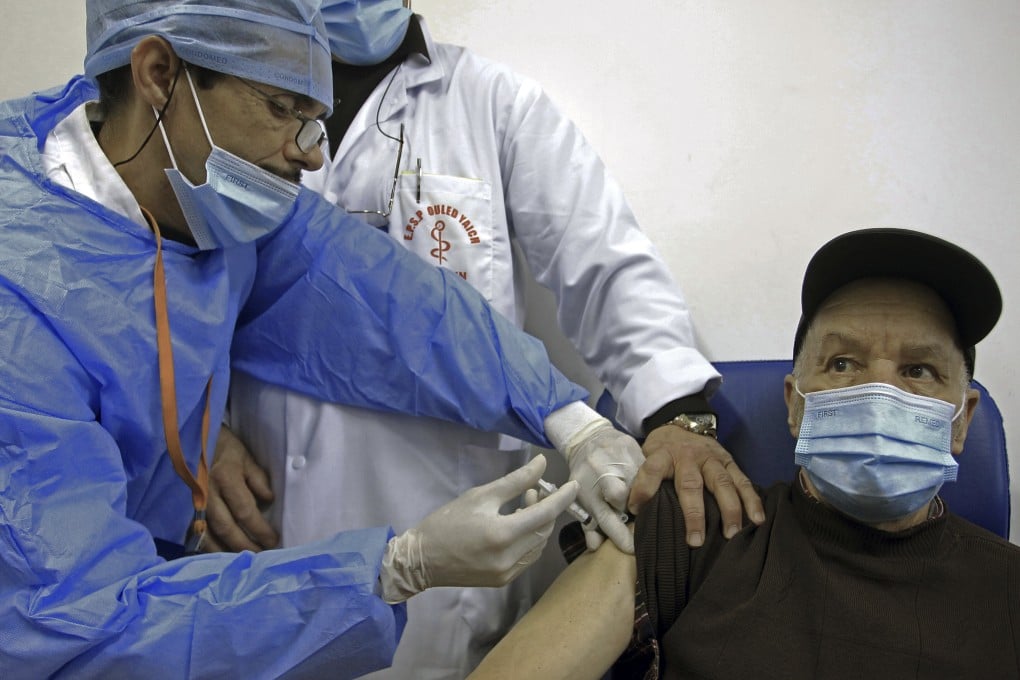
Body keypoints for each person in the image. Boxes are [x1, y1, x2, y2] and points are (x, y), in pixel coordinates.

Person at [0, 0, 694, 676]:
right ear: (158, 74)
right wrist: (393, 569)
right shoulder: (21, 301)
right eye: (281, 108)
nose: (309, 156)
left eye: (313, 119)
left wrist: (573, 422)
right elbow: (68, 627)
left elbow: (387, 298)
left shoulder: (203, 192)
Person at [212, 2, 764, 676]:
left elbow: (605, 266)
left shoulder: (495, 105)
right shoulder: (225, 105)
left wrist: (677, 416)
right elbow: (178, 283)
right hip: (257, 515)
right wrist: (196, 432)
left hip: (442, 543)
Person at [468, 228, 1020, 680]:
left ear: (962, 419)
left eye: (918, 370)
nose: (878, 393)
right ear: (794, 405)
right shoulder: (689, 532)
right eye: (842, 364)